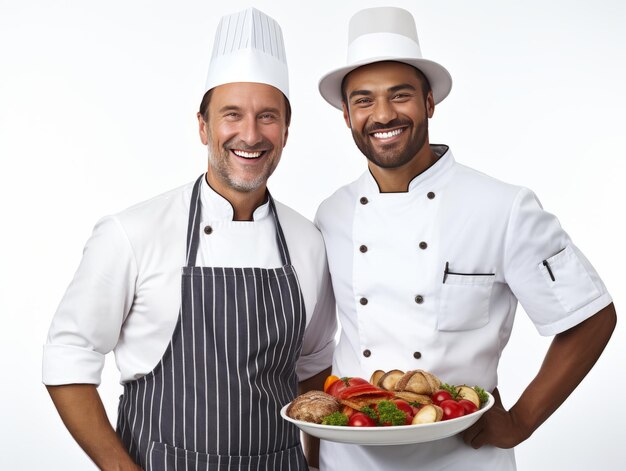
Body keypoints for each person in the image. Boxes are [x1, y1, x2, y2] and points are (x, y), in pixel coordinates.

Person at [314, 6, 616, 470]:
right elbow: (314, 347)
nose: (383, 114)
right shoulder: (331, 213)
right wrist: (314, 450)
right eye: (363, 100)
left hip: (462, 457)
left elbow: (589, 316)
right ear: (347, 115)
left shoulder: (501, 206)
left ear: (429, 102)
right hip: (353, 456)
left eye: (401, 95)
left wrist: (521, 421)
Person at [42, 7, 336, 470]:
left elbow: (314, 368)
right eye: (231, 115)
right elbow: (68, 355)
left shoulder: (308, 241)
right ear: (203, 125)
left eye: (268, 117)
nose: (250, 134)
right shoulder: (132, 232)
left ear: (286, 130)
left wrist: (318, 464)